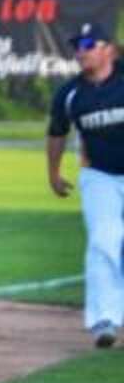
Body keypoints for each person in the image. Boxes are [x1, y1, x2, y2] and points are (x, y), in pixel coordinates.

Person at [47, 21, 124, 348]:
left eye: (90, 44)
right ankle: (103, 320)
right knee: (103, 241)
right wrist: (53, 172)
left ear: (110, 49)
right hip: (99, 177)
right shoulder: (70, 94)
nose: (82, 51)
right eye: (78, 45)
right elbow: (57, 133)